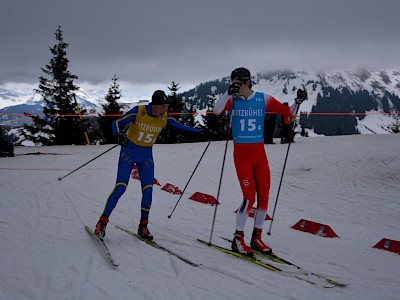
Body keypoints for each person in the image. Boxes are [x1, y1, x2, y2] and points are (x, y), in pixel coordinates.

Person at [213, 67, 302, 256]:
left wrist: (297, 102)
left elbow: (287, 112)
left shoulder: (263, 99)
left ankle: (256, 237)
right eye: (232, 84)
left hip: (259, 154)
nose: (234, 87)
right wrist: (226, 94)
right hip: (242, 155)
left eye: (237, 84)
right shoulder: (232, 99)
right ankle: (238, 239)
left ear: (247, 83)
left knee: (264, 196)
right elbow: (217, 111)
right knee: (249, 197)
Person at [94, 90, 202, 240]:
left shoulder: (164, 117)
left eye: (167, 107)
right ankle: (102, 222)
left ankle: (143, 226)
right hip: (128, 154)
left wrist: (201, 131)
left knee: (148, 191)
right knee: (120, 187)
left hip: (146, 158)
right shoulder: (140, 111)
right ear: (155, 105)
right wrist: (119, 135)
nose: (166, 110)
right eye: (163, 107)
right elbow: (117, 122)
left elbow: (182, 127)